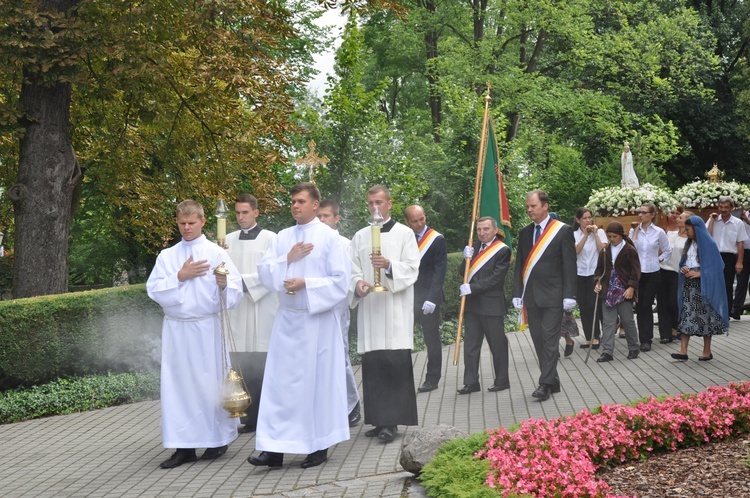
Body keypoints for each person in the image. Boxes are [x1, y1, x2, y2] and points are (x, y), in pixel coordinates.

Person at [247, 182, 350, 470]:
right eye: (293, 201)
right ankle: (274, 449)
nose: (295, 206)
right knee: (280, 388)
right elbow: (265, 274)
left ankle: (318, 446)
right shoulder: (282, 237)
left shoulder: (330, 239)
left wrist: (307, 283)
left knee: (315, 387)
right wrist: (287, 259)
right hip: (288, 320)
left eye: (301, 201)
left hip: (316, 322)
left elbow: (341, 283)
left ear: (315, 205)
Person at [147, 200, 243, 469]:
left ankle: (217, 439)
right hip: (177, 330)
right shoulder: (167, 256)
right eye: (182, 223)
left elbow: (234, 290)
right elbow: (153, 289)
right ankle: (184, 447)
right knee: (179, 388)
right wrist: (180, 275)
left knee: (209, 384)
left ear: (202, 221)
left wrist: (224, 285)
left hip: (207, 329)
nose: (186, 227)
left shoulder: (215, 253)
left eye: (191, 223)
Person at [349, 185, 420, 442]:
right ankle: (379, 420)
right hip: (371, 309)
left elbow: (413, 268)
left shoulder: (404, 234)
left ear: (390, 204)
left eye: (379, 202)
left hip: (394, 310)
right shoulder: (360, 236)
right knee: (373, 365)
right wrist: (357, 284)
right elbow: (352, 268)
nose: (375, 207)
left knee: (393, 364)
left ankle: (392, 422)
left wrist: (389, 266)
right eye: (370, 203)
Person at [512, 190, 576, 402]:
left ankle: (545, 384)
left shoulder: (562, 231)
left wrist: (569, 294)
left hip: (554, 296)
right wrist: (516, 293)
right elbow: (520, 265)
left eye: (533, 206)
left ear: (545, 206)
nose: (529, 210)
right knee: (538, 339)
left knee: (549, 339)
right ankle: (553, 380)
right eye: (528, 207)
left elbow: (569, 264)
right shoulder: (524, 233)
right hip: (531, 296)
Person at [225, 193, 278, 434]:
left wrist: (242, 284)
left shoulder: (271, 240)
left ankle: (263, 416)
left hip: (261, 308)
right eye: (237, 213)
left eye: (245, 212)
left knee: (261, 362)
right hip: (238, 309)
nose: (240, 217)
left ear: (256, 212)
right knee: (241, 363)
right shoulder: (226, 241)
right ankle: (244, 415)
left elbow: (272, 274)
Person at [317, 199, 362, 425]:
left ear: (337, 218)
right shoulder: (310, 243)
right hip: (313, 310)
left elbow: (349, 277)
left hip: (335, 309)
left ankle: (351, 404)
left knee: (339, 356)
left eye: (326, 216)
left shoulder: (345, 244)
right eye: (319, 217)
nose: (322, 221)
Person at [458, 216, 511, 393]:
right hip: (472, 305)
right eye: (479, 229)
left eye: (486, 229)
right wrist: (464, 259)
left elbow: (495, 279)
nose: (482, 233)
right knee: (471, 345)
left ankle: (502, 380)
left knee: (497, 344)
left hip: (491, 305)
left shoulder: (502, 250)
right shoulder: (474, 248)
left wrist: (471, 288)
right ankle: (471, 382)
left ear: (495, 230)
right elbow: (463, 272)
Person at [671, 215, 729, 361]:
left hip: (703, 286)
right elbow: (684, 262)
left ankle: (707, 351)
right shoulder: (688, 244)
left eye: (688, 229)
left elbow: (717, 266)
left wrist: (700, 273)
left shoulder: (708, 244)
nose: (686, 231)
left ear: (696, 229)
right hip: (689, 286)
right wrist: (683, 269)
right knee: (686, 314)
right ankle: (683, 351)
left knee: (704, 316)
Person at [404, 205, 447, 393]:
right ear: (407, 222)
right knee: (403, 339)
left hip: (429, 298)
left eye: (422, 219)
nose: (420, 223)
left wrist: (432, 298)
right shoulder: (405, 238)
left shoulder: (436, 239)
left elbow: (440, 272)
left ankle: (432, 379)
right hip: (407, 297)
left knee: (432, 339)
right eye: (415, 221)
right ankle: (403, 378)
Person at [594, 222, 641, 362]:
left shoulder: (630, 250)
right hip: (608, 291)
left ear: (621, 235)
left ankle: (633, 347)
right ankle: (607, 351)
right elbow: (599, 271)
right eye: (609, 236)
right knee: (608, 322)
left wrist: (631, 287)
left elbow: (636, 271)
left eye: (614, 236)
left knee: (627, 320)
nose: (611, 239)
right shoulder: (604, 251)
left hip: (624, 290)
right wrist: (597, 282)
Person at [629, 203, 671, 352]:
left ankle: (646, 340)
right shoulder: (634, 230)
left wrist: (659, 260)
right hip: (638, 273)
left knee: (646, 304)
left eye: (644, 212)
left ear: (652, 215)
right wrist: (634, 231)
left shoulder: (659, 232)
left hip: (653, 272)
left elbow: (667, 250)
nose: (640, 215)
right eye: (639, 212)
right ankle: (644, 338)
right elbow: (631, 249)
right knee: (640, 306)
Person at [706, 196, 747, 320]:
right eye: (721, 207)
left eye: (726, 207)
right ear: (718, 207)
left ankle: (726, 312)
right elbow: (706, 235)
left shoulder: (738, 223)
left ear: (731, 208)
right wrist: (712, 221)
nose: (723, 210)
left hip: (729, 257)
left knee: (727, 285)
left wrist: (739, 262)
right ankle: (712, 311)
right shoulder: (713, 219)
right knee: (712, 284)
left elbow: (740, 243)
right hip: (713, 255)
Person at [572, 208, 607, 350]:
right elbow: (575, 251)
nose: (588, 221)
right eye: (585, 218)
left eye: (589, 218)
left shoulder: (600, 232)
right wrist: (585, 236)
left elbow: (602, 251)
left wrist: (596, 234)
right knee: (584, 305)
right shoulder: (574, 234)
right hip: (580, 273)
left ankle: (596, 336)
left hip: (595, 273)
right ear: (578, 220)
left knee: (594, 304)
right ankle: (588, 337)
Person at [656, 207, 689, 344]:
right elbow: (660, 250)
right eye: (673, 214)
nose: (676, 217)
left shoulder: (689, 236)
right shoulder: (668, 233)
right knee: (662, 303)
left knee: (673, 302)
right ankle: (665, 333)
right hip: (662, 269)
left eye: (679, 215)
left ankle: (676, 327)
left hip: (677, 272)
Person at [733, 207, 750, 318]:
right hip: (744, 251)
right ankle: (736, 309)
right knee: (741, 280)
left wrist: (747, 220)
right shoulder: (741, 214)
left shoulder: (745, 217)